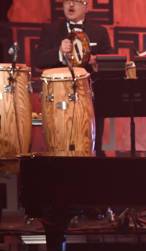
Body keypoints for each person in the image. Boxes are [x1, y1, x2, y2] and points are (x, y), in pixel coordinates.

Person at [33, 0, 112, 154]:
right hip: (58, 96)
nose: (70, 5)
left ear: (85, 6)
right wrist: (59, 52)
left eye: (76, 1)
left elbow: (111, 62)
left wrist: (97, 62)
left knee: (91, 143)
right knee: (60, 142)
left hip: (91, 96)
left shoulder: (99, 31)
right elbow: (39, 61)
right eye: (67, 1)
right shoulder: (50, 30)